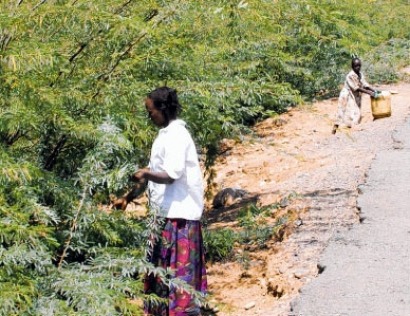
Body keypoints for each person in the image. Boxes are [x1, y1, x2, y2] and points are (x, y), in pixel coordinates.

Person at [114, 86, 207, 316]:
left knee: (177, 277)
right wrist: (130, 196)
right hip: (165, 214)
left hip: (179, 217)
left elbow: (170, 174)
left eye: (151, 111)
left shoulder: (177, 135)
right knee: (162, 276)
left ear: (163, 109)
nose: (149, 116)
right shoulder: (165, 135)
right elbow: (157, 171)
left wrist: (145, 174)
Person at [332, 57, 376, 134]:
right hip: (347, 95)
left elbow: (365, 85)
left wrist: (374, 90)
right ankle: (335, 128)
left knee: (355, 112)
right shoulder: (350, 75)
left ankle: (350, 130)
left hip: (354, 95)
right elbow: (357, 88)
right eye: (356, 66)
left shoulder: (360, 74)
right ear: (352, 67)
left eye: (359, 66)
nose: (358, 67)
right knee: (342, 112)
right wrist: (369, 93)